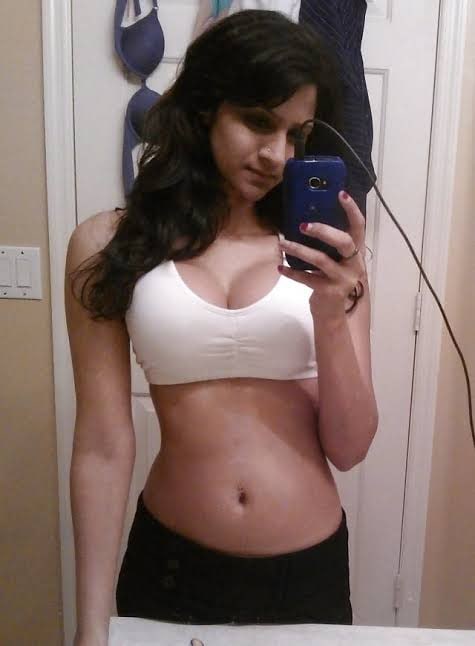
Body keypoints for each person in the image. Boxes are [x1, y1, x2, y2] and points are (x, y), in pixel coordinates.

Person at [65, 10, 378, 646]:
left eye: (296, 134)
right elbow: (102, 444)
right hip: (171, 569)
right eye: (258, 122)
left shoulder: (327, 257)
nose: (276, 155)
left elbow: (349, 448)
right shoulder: (109, 244)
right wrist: (91, 625)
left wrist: (330, 313)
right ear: (205, 108)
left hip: (308, 575)